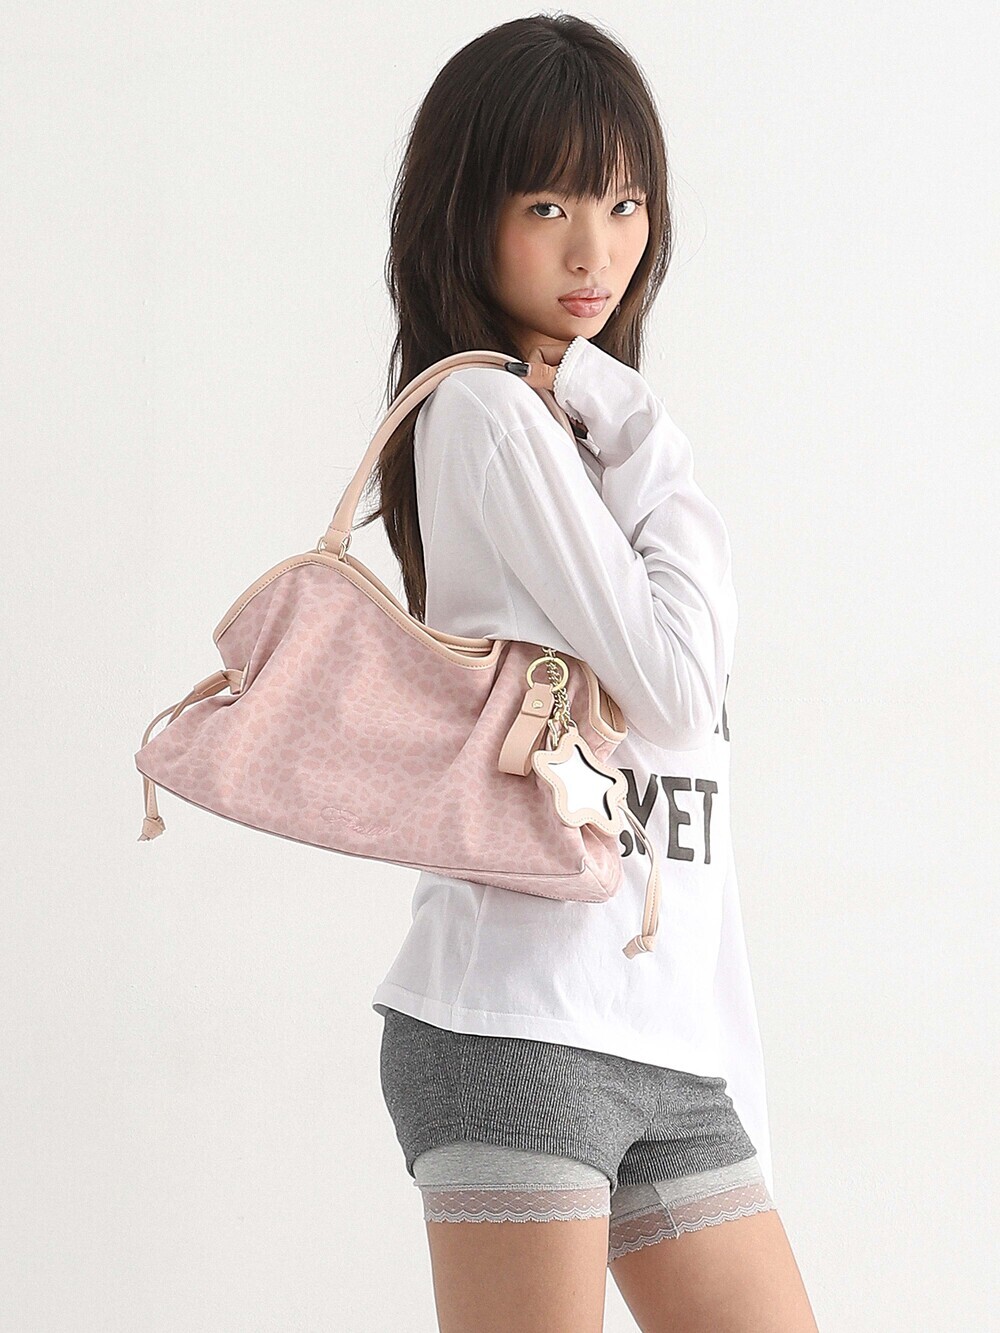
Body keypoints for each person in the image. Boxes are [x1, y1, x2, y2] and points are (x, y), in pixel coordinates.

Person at [356, 14, 820, 1332]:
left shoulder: (583, 437)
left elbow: (688, 774)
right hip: (517, 1022)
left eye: (624, 205)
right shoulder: (488, 413)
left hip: (660, 1039)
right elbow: (673, 684)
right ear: (469, 214)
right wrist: (645, 421)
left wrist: (724, 1061)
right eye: (549, 203)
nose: (595, 251)